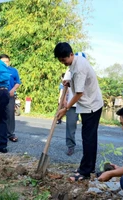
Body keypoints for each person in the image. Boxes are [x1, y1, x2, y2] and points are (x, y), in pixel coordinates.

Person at [54, 42, 103, 181]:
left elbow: (79, 93)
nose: (63, 63)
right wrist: (69, 83)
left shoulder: (80, 67)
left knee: (88, 139)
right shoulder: (75, 62)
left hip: (91, 105)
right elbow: (76, 80)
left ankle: (85, 171)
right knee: (89, 138)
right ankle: (88, 166)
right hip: (88, 104)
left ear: (71, 54)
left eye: (64, 60)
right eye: (60, 60)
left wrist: (65, 108)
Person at [0, 54, 21, 143]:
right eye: (3, 62)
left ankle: (10, 134)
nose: (5, 63)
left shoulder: (13, 70)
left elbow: (18, 82)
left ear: (9, 62)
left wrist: (13, 90)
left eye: (7, 61)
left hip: (10, 95)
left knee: (10, 115)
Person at [63, 69, 79, 156]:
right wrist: (64, 98)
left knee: (87, 128)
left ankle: (88, 148)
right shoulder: (69, 70)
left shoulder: (87, 70)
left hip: (85, 104)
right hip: (72, 104)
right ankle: (70, 146)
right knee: (70, 126)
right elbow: (65, 85)